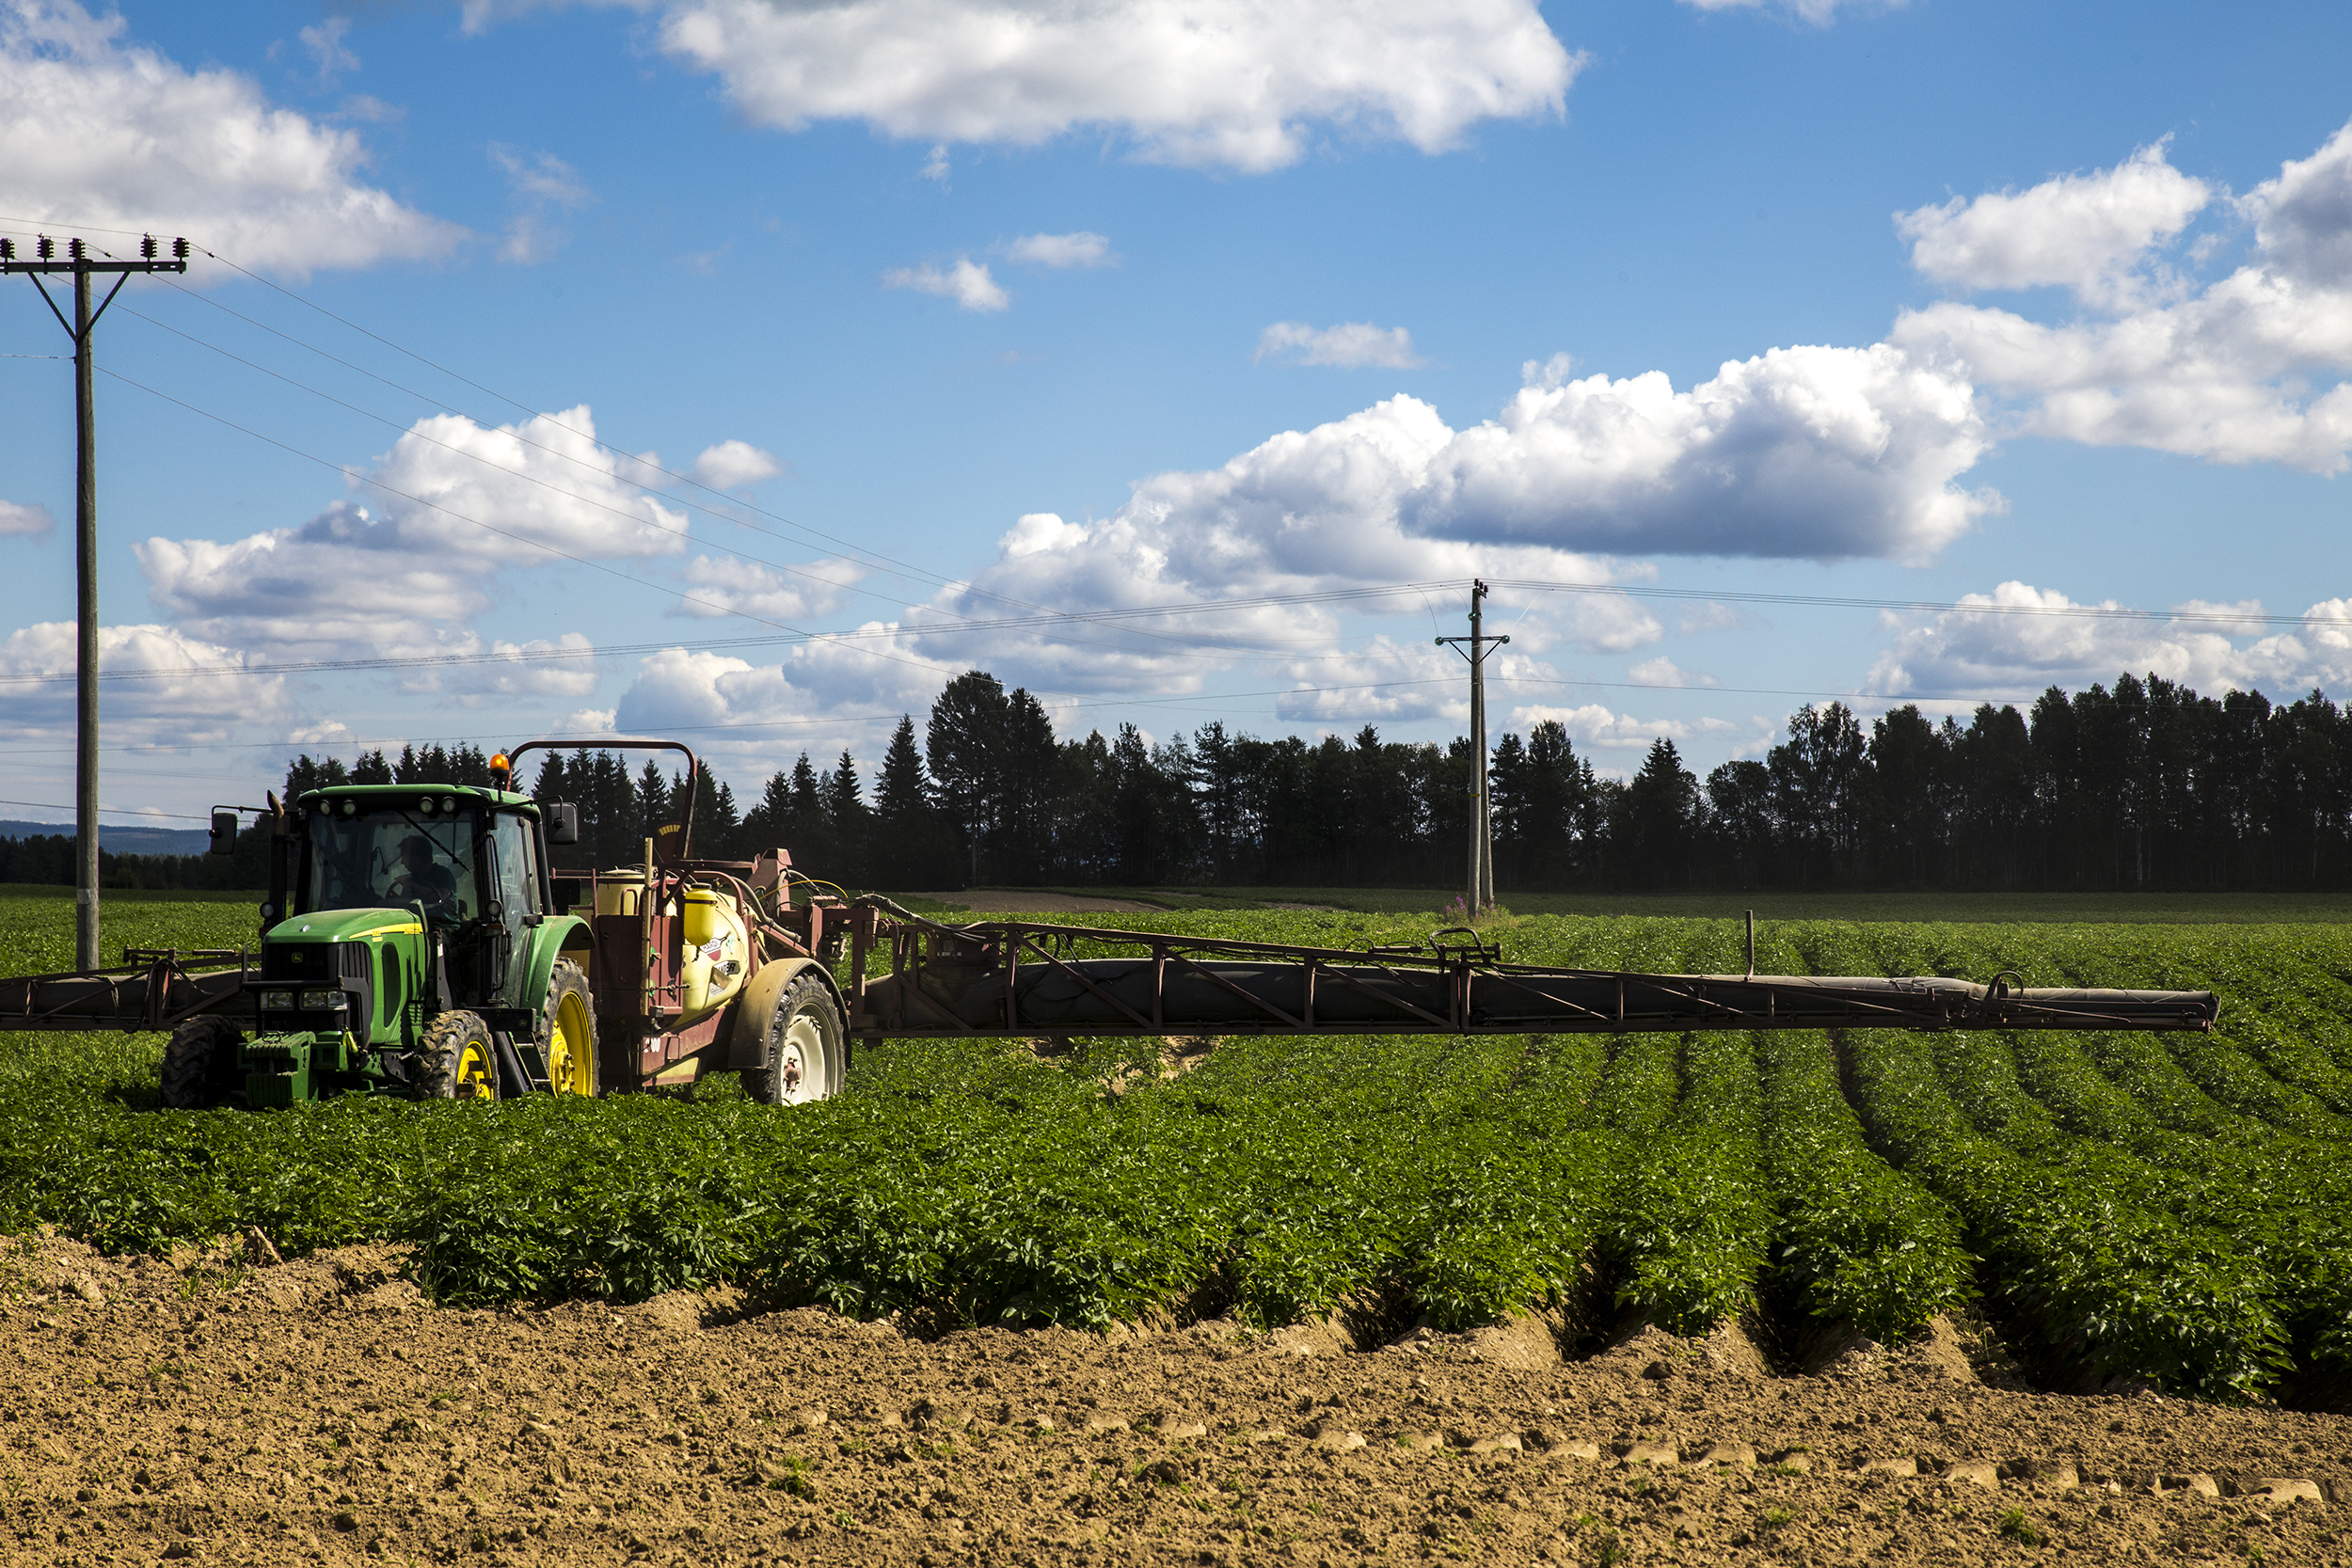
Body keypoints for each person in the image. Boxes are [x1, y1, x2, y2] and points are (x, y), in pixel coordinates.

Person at [388, 835, 458, 913]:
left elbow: (439, 897)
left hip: (442, 924)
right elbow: (406, 906)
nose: (402, 862)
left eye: (404, 857)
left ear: (415, 857)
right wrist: (394, 900)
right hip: (417, 923)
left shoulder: (443, 874)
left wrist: (412, 884)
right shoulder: (413, 877)